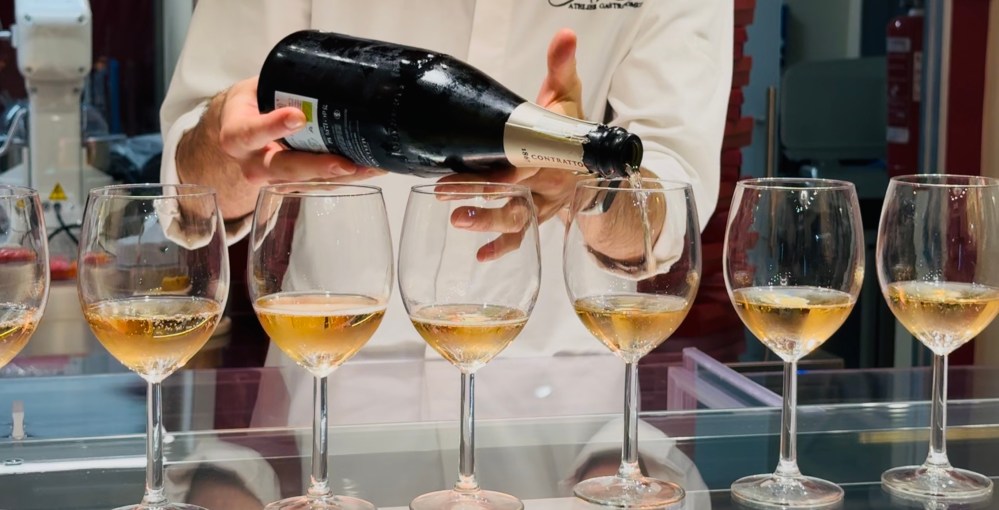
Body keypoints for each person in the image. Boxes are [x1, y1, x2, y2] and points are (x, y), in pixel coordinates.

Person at [161, 0, 731, 505]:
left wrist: (592, 185)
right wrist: (227, 142)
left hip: (570, 433)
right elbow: (187, 187)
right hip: (327, 397)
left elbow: (669, 206)